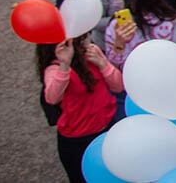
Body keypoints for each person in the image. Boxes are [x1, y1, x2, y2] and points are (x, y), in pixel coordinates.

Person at [38, 36, 124, 182]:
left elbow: (118, 86)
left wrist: (103, 64)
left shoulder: (93, 53)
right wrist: (64, 65)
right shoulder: (55, 68)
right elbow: (52, 98)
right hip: (78, 142)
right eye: (83, 38)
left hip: (108, 130)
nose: (88, 40)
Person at [103, 0, 176, 68]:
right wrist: (119, 43)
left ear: (132, 1)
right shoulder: (116, 25)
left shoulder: (168, 21)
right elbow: (113, 66)